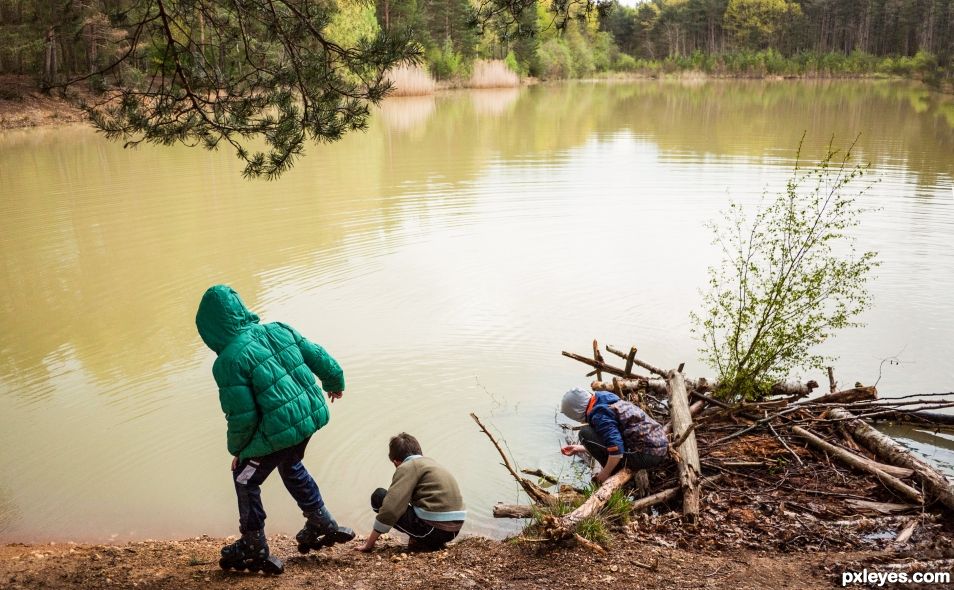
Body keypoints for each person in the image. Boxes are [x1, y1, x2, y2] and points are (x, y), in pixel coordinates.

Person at [195, 284, 354, 574]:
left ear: (210, 328)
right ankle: (322, 521)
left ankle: (253, 546)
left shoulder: (228, 362)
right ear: (241, 310)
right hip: (309, 416)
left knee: (244, 478)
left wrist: (241, 452)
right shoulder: (279, 328)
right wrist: (334, 382)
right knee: (290, 463)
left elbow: (242, 416)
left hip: (281, 428)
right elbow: (317, 355)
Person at [356, 433, 466, 553]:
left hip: (434, 530)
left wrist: (369, 544)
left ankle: (424, 542)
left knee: (379, 497)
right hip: (455, 529)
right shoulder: (431, 463)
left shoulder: (407, 467)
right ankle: (421, 540)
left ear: (396, 462)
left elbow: (390, 509)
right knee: (411, 502)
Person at [560, 387, 669, 484]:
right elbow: (612, 438)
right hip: (659, 444)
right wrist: (580, 448)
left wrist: (605, 473)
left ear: (576, 412)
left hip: (648, 455)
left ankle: (614, 471)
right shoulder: (604, 399)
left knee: (585, 433)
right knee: (594, 433)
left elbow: (616, 450)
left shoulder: (600, 415)